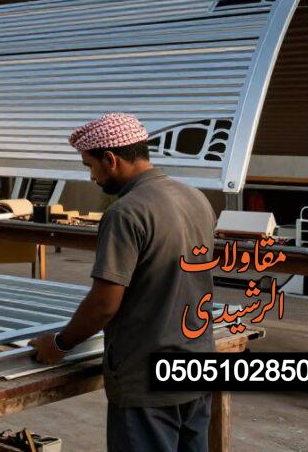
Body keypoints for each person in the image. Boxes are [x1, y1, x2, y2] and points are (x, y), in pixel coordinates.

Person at [29, 113, 215, 452]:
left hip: (146, 378)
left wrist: (59, 343)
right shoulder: (195, 198)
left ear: (111, 159)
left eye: (91, 166)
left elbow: (104, 305)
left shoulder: (126, 212)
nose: (92, 176)